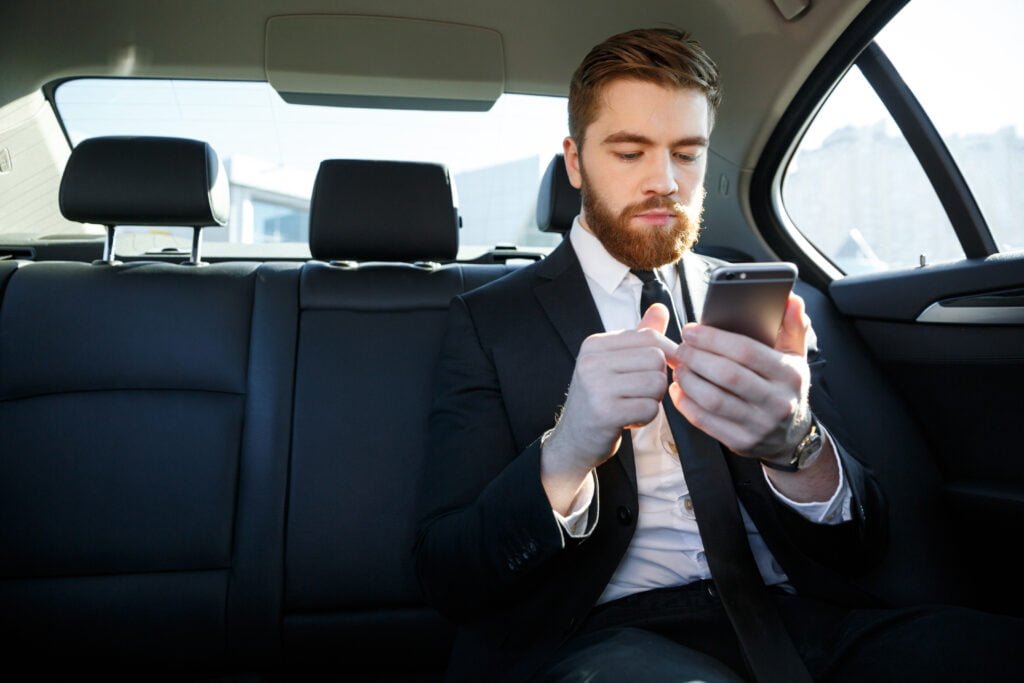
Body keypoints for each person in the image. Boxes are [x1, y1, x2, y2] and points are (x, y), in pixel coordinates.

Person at [415, 27, 1021, 683]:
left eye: (688, 152)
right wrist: (567, 449)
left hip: (803, 624)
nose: (665, 181)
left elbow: (863, 543)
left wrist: (794, 445)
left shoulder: (764, 298)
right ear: (575, 161)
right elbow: (451, 573)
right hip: (604, 641)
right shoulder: (488, 320)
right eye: (629, 152)